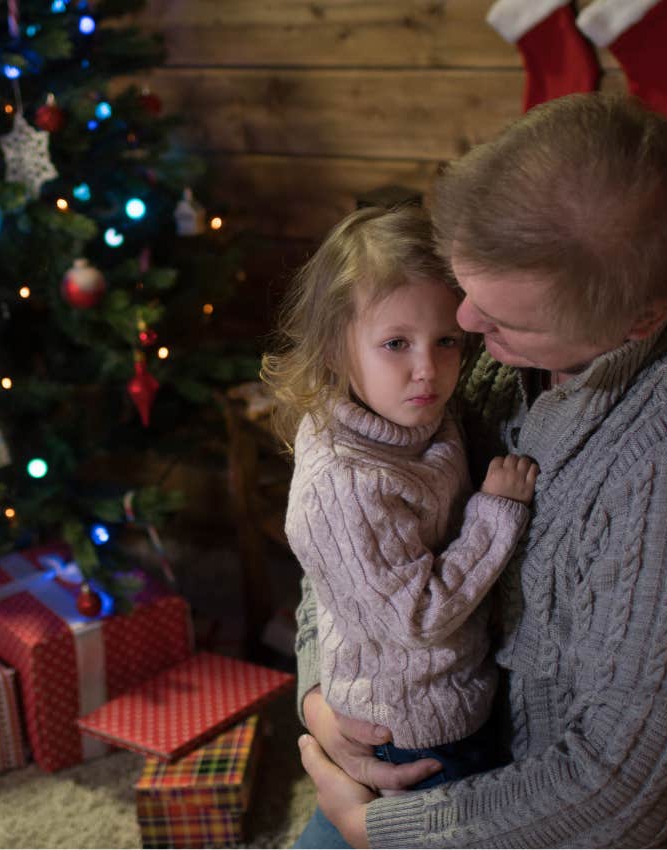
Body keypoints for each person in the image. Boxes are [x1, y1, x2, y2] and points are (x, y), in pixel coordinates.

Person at [292, 91, 667, 848]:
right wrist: (319, 700)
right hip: (417, 733)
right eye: (465, 289)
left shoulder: (664, 470)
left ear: (638, 320)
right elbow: (349, 544)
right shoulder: (488, 354)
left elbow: (620, 786)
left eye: (502, 320)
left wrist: (387, 832)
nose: (463, 329)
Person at [261, 205, 538, 795]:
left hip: (451, 685)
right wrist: (495, 514)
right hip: (416, 721)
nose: (429, 371)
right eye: (396, 343)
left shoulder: (412, 415)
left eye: (447, 341)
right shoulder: (346, 483)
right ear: (336, 349)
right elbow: (417, 618)